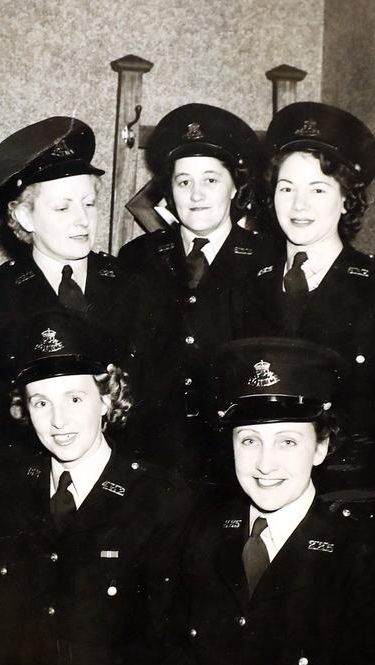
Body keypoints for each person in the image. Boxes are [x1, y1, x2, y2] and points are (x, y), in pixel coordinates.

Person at [151, 337, 375, 665]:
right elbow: (173, 664)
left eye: (287, 442)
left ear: (321, 448)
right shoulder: (202, 532)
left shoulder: (364, 556)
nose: (265, 464)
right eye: (249, 441)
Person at [0, 309, 191, 665]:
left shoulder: (161, 499)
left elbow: (169, 649)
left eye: (75, 399)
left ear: (107, 400)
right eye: (40, 402)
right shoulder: (4, 490)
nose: (58, 420)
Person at [234, 102, 375, 489]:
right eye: (286, 188)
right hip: (262, 485)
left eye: (317, 189)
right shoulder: (244, 284)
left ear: (347, 199)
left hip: (354, 494)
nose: (299, 205)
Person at [0, 117, 169, 453]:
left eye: (89, 204)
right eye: (63, 207)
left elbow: (158, 404)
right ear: (24, 217)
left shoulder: (136, 286)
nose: (83, 220)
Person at [117, 103, 269, 484]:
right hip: (151, 453)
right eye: (184, 182)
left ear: (236, 185)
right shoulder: (139, 257)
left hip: (233, 456)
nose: (196, 195)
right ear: (169, 189)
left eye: (211, 181)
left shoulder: (268, 258)